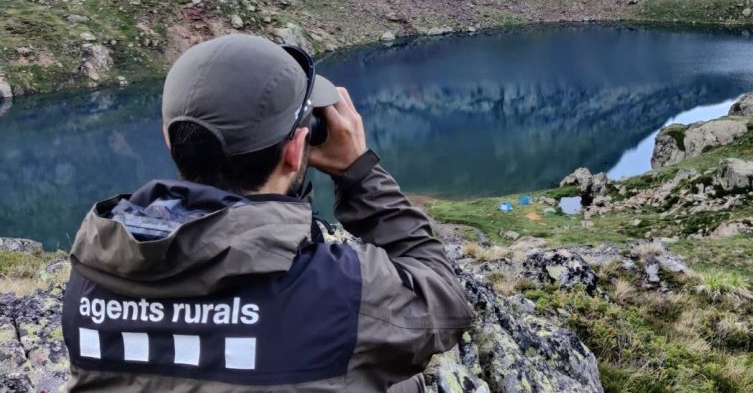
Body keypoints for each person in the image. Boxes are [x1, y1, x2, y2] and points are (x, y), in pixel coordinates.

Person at [61, 34, 474, 391]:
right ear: (297, 150)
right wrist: (359, 173)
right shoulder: (338, 291)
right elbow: (443, 300)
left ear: (170, 142)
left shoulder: (94, 274)